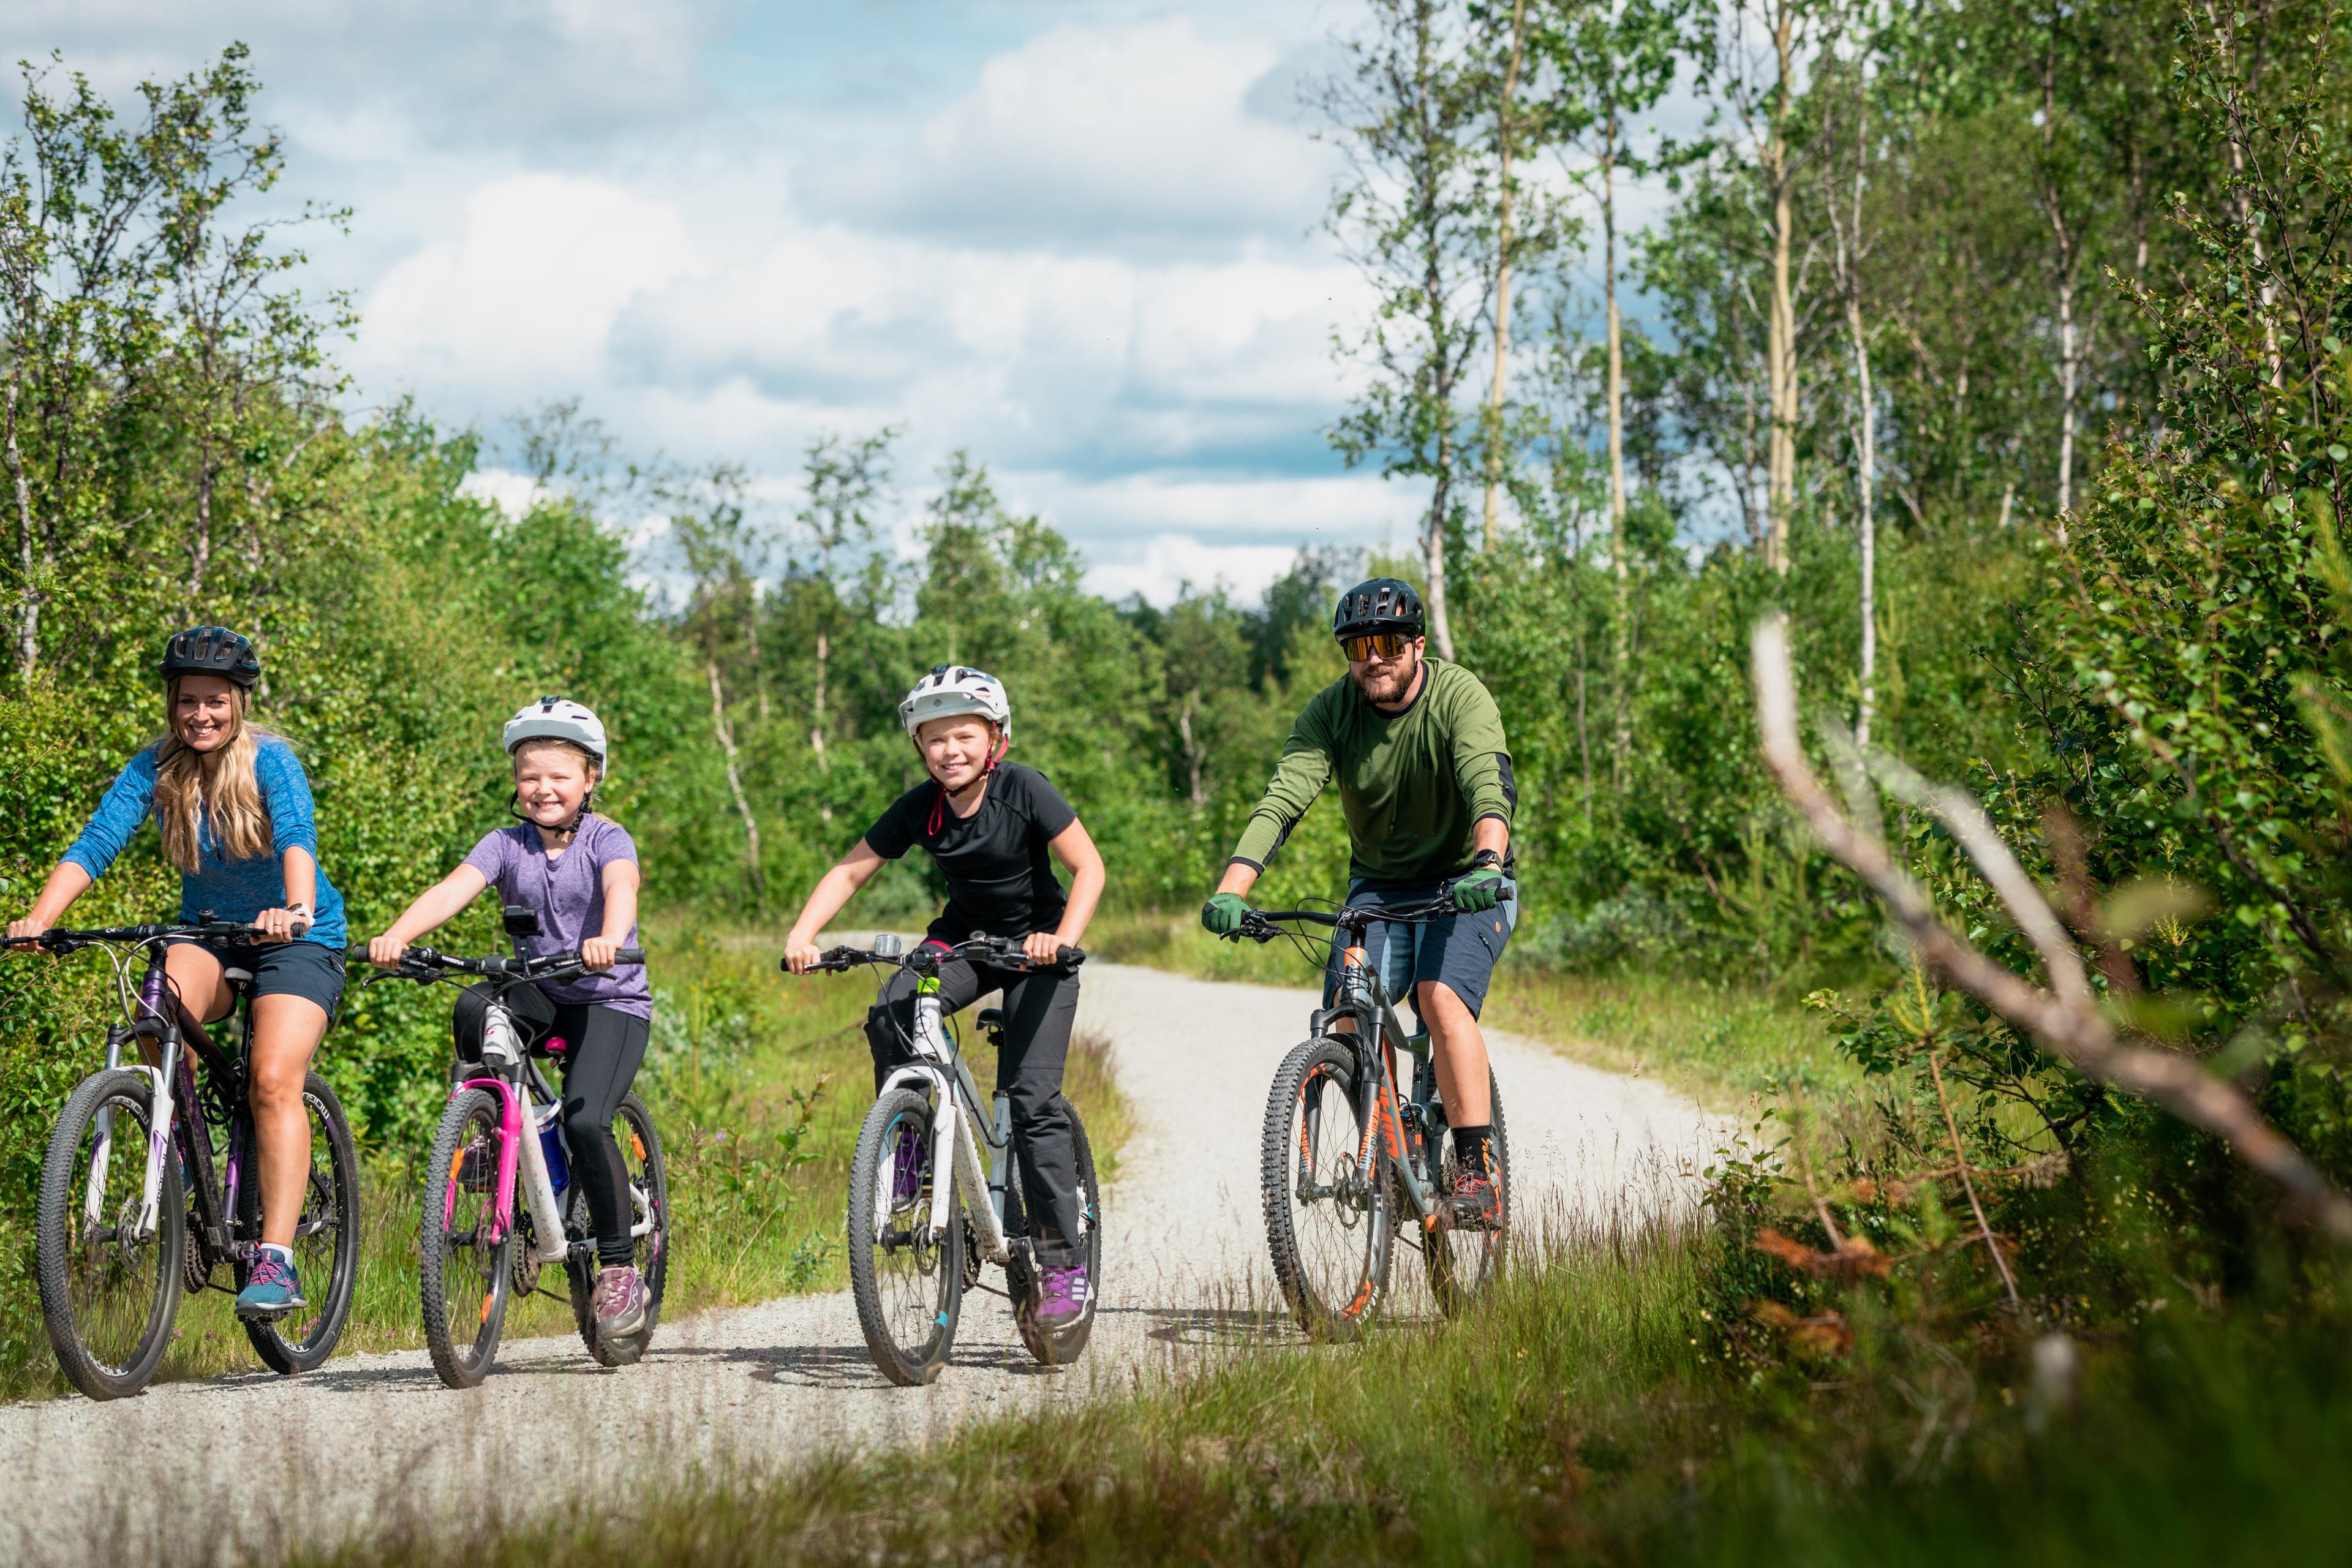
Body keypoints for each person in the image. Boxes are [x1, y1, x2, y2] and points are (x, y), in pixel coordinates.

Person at [6, 627, 350, 1319]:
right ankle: (187, 1157)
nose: (202, 715)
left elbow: (295, 837)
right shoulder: (154, 768)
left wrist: (295, 906)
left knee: (274, 1078)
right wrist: (38, 918)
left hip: (296, 938)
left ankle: (276, 1260)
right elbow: (98, 841)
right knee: (154, 1007)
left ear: (239, 702)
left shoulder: (271, 762)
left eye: (215, 702)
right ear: (172, 702)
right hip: (211, 937)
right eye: (189, 701)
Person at [782, 665, 1106, 1331]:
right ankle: (913, 1156)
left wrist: (1062, 939)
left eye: (964, 736)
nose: (949, 750)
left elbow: (1088, 866)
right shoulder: (920, 807)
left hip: (1037, 949)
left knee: (1033, 1098)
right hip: (963, 940)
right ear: (919, 748)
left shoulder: (1025, 789)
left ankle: (1061, 1261)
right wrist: (803, 934)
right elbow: (851, 867)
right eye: (934, 739)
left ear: (996, 741)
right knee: (893, 1009)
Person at [1201, 578, 1517, 1229]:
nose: (1373, 657)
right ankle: (1391, 1134)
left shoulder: (1460, 697)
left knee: (1438, 996)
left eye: (1388, 643)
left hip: (1468, 879)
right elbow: (1283, 800)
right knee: (1350, 1004)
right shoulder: (1330, 713)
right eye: (1357, 646)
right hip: (1380, 883)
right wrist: (1233, 888)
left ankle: (1476, 1166)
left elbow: (1489, 785)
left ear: (1417, 646)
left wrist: (1487, 861)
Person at [366, 698, 654, 1352]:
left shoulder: (608, 838)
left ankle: (617, 1267)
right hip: (540, 993)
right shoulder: (504, 844)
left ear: (590, 779)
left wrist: (609, 937)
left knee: (585, 1120)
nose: (543, 788)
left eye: (559, 775)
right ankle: (497, 1135)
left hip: (609, 998)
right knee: (473, 1004)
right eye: (530, 775)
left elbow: (622, 888)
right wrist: (398, 935)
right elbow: (453, 889)